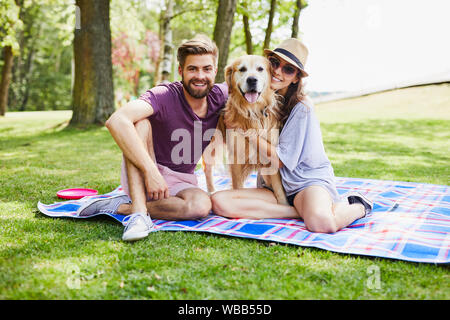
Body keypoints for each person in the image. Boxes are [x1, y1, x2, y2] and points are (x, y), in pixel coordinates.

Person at [211, 38, 373, 233]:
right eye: (275, 63)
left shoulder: (302, 108)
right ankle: (295, 211)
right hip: (274, 187)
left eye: (288, 69)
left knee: (322, 223)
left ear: (296, 77)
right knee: (219, 202)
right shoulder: (262, 101)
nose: (278, 71)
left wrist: (245, 131)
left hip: (305, 182)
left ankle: (358, 205)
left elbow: (279, 160)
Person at [76, 35, 228, 241]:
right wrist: (151, 171)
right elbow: (116, 120)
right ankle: (139, 213)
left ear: (215, 71)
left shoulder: (221, 95)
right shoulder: (164, 95)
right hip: (145, 171)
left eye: (206, 69)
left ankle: (119, 207)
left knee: (201, 206)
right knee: (141, 122)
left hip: (183, 180)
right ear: (181, 71)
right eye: (193, 69)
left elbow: (258, 85)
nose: (200, 75)